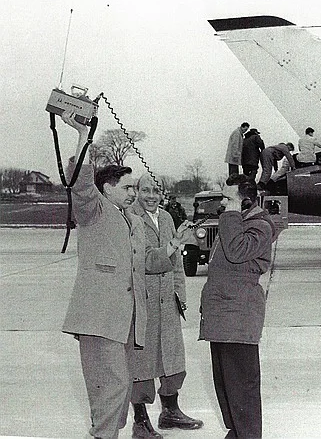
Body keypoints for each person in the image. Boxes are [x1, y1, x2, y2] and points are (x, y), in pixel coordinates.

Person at [59, 110, 148, 439]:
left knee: (118, 391)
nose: (133, 193)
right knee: (112, 388)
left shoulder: (125, 218)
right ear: (106, 188)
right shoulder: (93, 210)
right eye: (127, 187)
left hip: (121, 322)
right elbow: (81, 185)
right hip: (99, 319)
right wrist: (83, 136)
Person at [199, 174, 279, 438]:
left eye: (228, 198)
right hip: (223, 316)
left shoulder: (260, 226)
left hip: (238, 317)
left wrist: (232, 213)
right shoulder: (239, 221)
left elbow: (235, 250)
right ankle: (237, 433)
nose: (223, 204)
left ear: (244, 202)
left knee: (241, 388)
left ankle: (247, 435)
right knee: (226, 387)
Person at [129, 175, 203, 438]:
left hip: (167, 301)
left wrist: (180, 295)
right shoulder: (130, 217)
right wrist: (173, 245)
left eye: (156, 191)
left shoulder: (167, 218)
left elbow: (176, 265)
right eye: (145, 190)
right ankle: (140, 421)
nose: (151, 196)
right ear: (137, 191)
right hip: (144, 302)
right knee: (142, 362)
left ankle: (170, 411)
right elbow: (147, 261)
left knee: (172, 358)